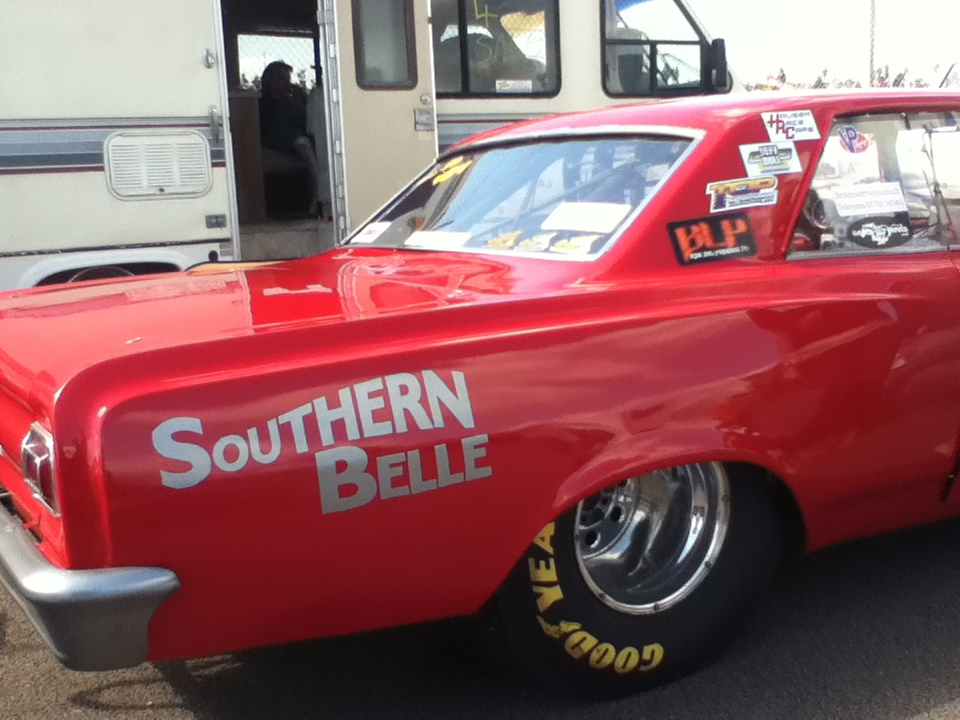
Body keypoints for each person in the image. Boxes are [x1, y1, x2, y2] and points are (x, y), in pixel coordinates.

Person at [259, 60, 322, 216]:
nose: (288, 84)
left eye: (288, 79)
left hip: (293, 144)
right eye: (282, 79)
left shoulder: (288, 101)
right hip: (272, 146)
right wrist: (301, 101)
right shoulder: (263, 102)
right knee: (294, 113)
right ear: (270, 82)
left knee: (301, 138)